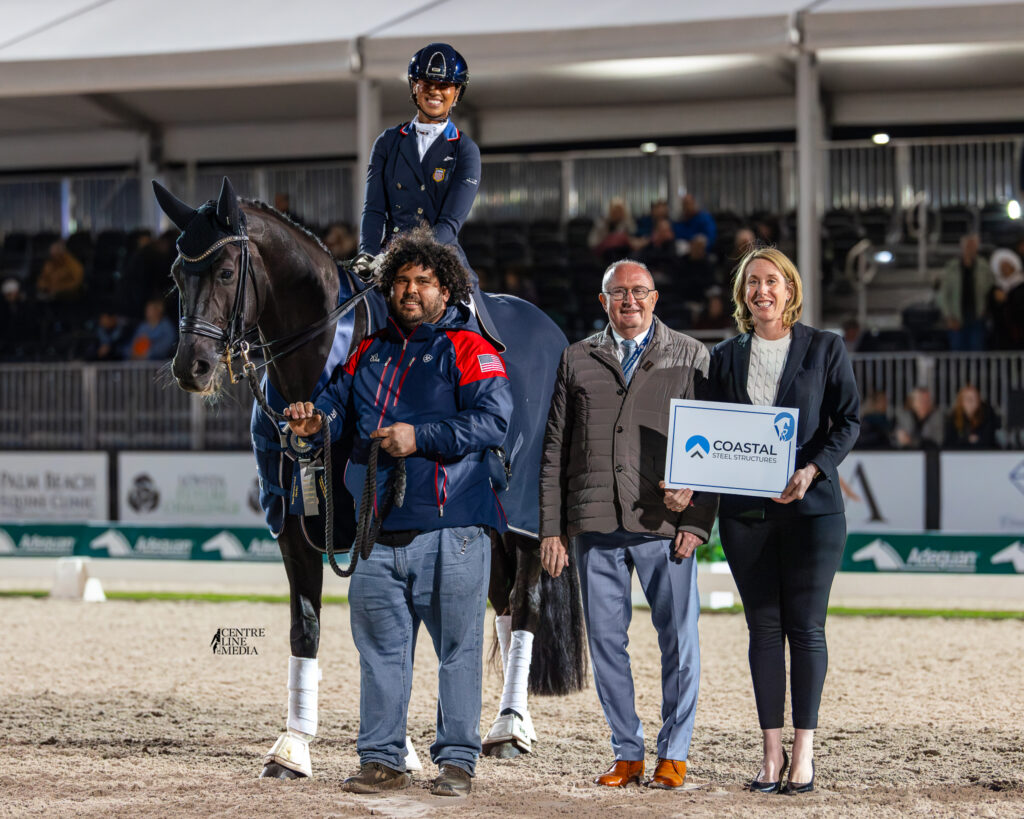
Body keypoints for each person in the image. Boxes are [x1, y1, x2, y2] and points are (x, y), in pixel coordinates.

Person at [283, 229, 511, 798]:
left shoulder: (469, 347)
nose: (410, 291)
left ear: (445, 288)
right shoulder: (368, 350)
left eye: (423, 282)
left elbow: (493, 422)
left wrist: (421, 436)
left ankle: (457, 761)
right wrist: (315, 425)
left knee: (457, 652)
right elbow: (334, 409)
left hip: (453, 527)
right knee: (380, 652)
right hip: (376, 532)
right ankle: (382, 758)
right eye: (401, 282)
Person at [672, 247, 859, 794]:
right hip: (746, 515)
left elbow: (847, 422)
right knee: (762, 631)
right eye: (752, 282)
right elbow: (708, 433)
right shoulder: (725, 357)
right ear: (742, 294)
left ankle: (804, 754)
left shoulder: (825, 348)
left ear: (789, 288)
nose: (762, 291)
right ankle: (771, 756)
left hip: (812, 512)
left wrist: (813, 469)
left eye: (771, 281)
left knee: (806, 629)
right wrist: (689, 478)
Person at [539, 259, 717, 790]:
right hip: (595, 525)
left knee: (679, 642)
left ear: (655, 297)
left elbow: (712, 444)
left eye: (639, 291)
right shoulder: (576, 357)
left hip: (667, 525)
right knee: (606, 645)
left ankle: (674, 753)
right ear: (603, 301)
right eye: (619, 293)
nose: (630, 301)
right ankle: (627, 751)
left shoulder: (691, 355)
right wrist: (552, 528)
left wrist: (700, 519)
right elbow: (554, 450)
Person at [936, 233, 992, 351]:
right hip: (956, 319)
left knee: (977, 352)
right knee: (958, 354)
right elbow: (942, 295)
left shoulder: (983, 267)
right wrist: (948, 317)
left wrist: (985, 310)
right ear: (962, 247)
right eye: (968, 246)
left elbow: (990, 289)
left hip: (977, 318)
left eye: (973, 246)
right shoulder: (951, 267)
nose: (970, 249)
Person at [987, 248, 1024, 350]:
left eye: (1007, 265)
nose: (1005, 268)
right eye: (1002, 267)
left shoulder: (1021, 285)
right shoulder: (995, 288)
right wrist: (997, 301)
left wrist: (1008, 300)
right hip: (1001, 335)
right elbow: (991, 309)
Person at [943, 384, 1000, 449]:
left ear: (978, 401)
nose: (971, 402)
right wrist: (966, 440)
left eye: (974, 398)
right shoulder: (953, 418)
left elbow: (988, 440)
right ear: (961, 401)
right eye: (968, 399)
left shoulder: (987, 416)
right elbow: (949, 443)